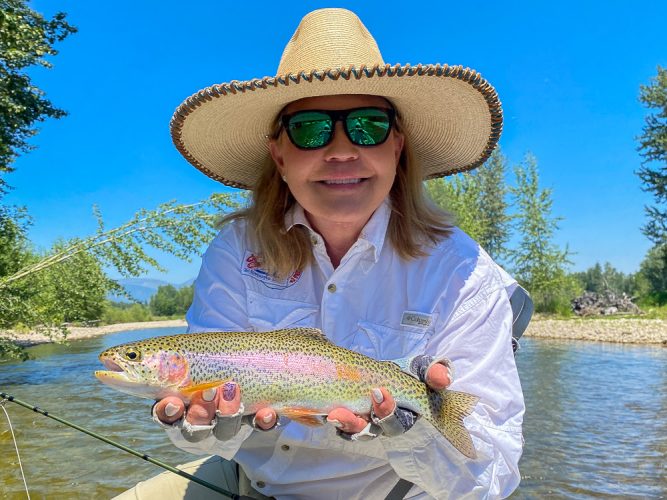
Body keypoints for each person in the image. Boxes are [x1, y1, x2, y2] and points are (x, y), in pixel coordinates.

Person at [118, 8, 524, 500]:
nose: (340, 151)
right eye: (309, 129)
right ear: (279, 154)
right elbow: (204, 434)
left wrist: (410, 428)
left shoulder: (462, 269)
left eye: (368, 126)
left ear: (397, 145)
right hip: (251, 484)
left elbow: (491, 473)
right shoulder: (235, 250)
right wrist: (196, 429)